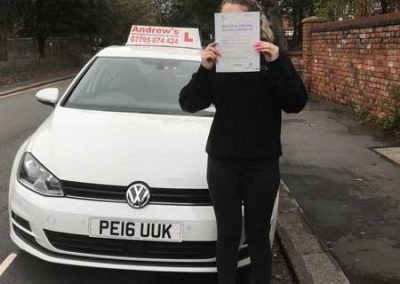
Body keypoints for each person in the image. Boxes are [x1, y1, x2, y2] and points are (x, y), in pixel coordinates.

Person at [178, 0, 308, 283]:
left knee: (259, 235)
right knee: (227, 234)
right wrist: (204, 69)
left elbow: (296, 102)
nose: (231, 27)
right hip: (223, 160)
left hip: (262, 161)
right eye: (225, 21)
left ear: (254, 22)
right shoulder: (216, 58)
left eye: (237, 21)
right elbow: (188, 102)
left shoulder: (271, 58)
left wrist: (278, 65)